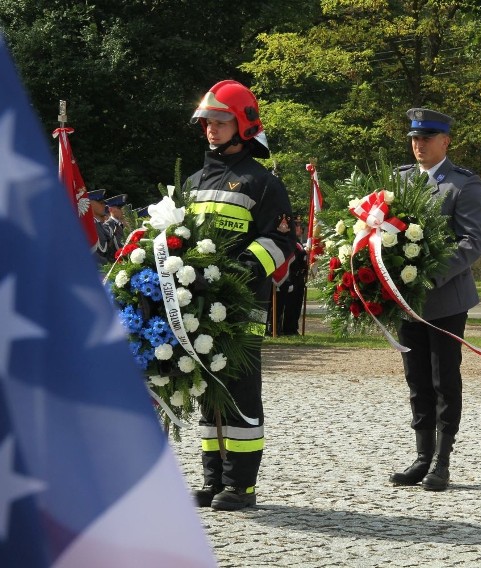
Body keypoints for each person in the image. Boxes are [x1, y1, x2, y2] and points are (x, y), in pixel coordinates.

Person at [186, 80, 296, 511]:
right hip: (196, 309)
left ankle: (241, 486)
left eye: (220, 121)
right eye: (206, 122)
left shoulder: (263, 183)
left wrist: (236, 272)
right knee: (207, 393)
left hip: (241, 308)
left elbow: (281, 242)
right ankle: (214, 481)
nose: (211, 129)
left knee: (240, 395)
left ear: (243, 125)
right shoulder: (192, 181)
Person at [389, 108, 481, 491]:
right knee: (416, 380)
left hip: (444, 300)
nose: (419, 145)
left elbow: (472, 241)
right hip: (406, 300)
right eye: (414, 138)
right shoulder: (399, 181)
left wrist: (429, 276)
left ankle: (442, 461)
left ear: (445, 141)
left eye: (427, 138)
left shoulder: (463, 185)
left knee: (443, 378)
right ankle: (421, 456)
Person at [88, 189, 120, 264]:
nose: (104, 206)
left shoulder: (99, 225)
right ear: (90, 204)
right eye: (100, 203)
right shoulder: (87, 226)